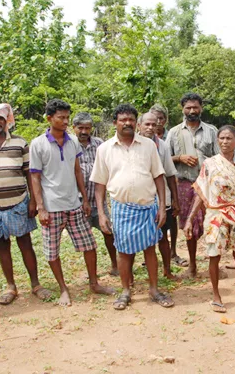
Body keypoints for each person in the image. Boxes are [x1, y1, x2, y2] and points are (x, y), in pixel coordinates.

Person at [30, 99, 114, 307]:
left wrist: (85, 199)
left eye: (67, 117)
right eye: (61, 117)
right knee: (52, 252)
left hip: (74, 204)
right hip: (51, 207)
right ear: (50, 118)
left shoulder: (72, 142)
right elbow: (35, 177)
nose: (66, 121)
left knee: (89, 245)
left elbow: (77, 170)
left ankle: (94, 283)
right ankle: (63, 289)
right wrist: (41, 207)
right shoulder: (38, 144)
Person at [91, 104, 174, 310]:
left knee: (149, 249)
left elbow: (158, 176)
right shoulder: (104, 149)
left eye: (130, 120)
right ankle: (126, 291)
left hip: (148, 206)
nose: (127, 123)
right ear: (115, 123)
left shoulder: (148, 146)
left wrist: (162, 207)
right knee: (124, 252)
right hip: (121, 208)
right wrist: (101, 213)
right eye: (122, 120)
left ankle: (154, 290)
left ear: (136, 123)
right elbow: (99, 184)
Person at [0, 103, 52, 305]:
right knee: (2, 245)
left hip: (19, 202)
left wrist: (33, 201)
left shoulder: (20, 144)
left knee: (25, 244)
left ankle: (36, 285)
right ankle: (11, 287)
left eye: (0, 119)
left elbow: (29, 173)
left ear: (6, 122)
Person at [184, 125, 235, 313]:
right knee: (214, 255)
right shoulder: (210, 164)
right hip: (216, 214)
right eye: (221, 138)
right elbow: (201, 191)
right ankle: (216, 296)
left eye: (229, 138)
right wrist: (190, 219)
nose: (225, 142)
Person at [166, 93, 220, 277]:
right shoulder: (173, 132)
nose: (192, 111)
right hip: (184, 184)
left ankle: (214, 265)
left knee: (213, 224)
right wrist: (179, 158)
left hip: (208, 185)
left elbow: (219, 157)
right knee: (189, 226)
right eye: (188, 108)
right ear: (182, 109)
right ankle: (193, 265)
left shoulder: (212, 131)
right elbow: (164, 161)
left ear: (201, 108)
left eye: (195, 107)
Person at [73, 112, 119, 277]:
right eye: (81, 128)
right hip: (78, 202)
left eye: (87, 128)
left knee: (108, 232)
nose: (84, 131)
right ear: (74, 128)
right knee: (86, 239)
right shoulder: (69, 145)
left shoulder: (100, 144)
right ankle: (91, 272)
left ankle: (115, 265)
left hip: (99, 200)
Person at [138, 112, 181, 279]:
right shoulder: (132, 144)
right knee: (140, 237)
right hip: (140, 199)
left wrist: (175, 200)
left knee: (163, 235)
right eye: (147, 124)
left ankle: (167, 270)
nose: (150, 128)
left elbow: (170, 174)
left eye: (154, 125)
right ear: (139, 125)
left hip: (162, 198)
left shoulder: (162, 145)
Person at [149, 105, 187, 267]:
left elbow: (170, 168)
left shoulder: (169, 136)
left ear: (165, 120)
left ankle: (172, 253)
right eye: (154, 118)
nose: (157, 122)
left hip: (167, 184)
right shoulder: (141, 138)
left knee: (170, 222)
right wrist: (178, 157)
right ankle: (150, 256)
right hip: (147, 191)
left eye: (161, 119)